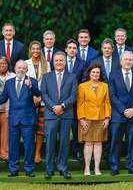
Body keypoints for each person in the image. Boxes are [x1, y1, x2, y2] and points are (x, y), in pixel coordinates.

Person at [0, 60, 40, 177]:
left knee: (29, 146)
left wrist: (31, 86)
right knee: (13, 146)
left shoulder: (32, 81)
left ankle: (29, 169)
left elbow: (39, 94)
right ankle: (13, 170)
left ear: (26, 70)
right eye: (19, 68)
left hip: (28, 119)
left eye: (23, 68)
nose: (21, 70)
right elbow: (3, 98)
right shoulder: (9, 82)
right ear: (15, 69)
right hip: (13, 119)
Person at [41, 51, 78, 180]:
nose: (58, 62)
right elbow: (44, 94)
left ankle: (63, 168)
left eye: (61, 60)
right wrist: (53, 107)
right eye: (56, 60)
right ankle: (49, 169)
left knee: (64, 142)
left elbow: (73, 96)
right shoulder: (46, 76)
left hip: (66, 114)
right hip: (51, 114)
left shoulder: (72, 77)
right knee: (50, 143)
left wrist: (62, 106)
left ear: (65, 61)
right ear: (53, 62)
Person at [108, 51, 133, 175]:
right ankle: (114, 167)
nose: (128, 62)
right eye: (126, 59)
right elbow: (112, 95)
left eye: (130, 60)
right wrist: (123, 110)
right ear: (121, 61)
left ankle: (132, 166)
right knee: (115, 142)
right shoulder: (113, 74)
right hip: (118, 115)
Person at [77, 64, 111, 176]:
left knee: (98, 143)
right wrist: (81, 118)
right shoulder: (82, 86)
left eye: (97, 72)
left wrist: (107, 117)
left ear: (100, 74)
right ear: (89, 73)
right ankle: (86, 168)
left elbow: (107, 103)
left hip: (101, 118)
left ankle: (97, 168)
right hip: (87, 118)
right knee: (88, 143)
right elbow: (80, 103)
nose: (95, 74)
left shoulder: (105, 86)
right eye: (93, 72)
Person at [25, 41, 50, 164]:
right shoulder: (25, 64)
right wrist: (32, 97)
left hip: (43, 100)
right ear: (30, 50)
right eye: (33, 48)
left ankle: (37, 152)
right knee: (29, 128)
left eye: (37, 49)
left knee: (40, 129)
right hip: (28, 101)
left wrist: (40, 97)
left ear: (41, 50)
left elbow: (49, 84)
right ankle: (29, 152)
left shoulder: (47, 64)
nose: (35, 51)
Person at [64, 39, 86, 161]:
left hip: (77, 99)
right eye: (70, 48)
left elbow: (83, 80)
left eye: (74, 48)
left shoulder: (82, 63)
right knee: (63, 126)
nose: (72, 50)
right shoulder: (60, 61)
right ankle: (64, 151)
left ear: (77, 50)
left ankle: (77, 150)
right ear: (66, 49)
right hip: (62, 99)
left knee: (76, 126)